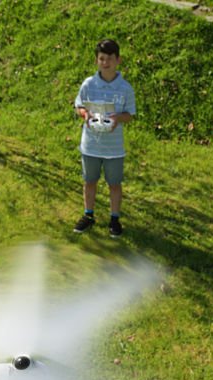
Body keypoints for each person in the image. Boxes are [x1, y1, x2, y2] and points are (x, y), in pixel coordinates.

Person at [72, 39, 136, 238]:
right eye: (101, 59)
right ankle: (88, 215)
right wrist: (85, 115)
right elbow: (79, 106)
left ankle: (114, 218)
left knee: (114, 184)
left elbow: (130, 115)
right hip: (91, 144)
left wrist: (118, 118)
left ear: (118, 60)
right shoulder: (89, 84)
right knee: (89, 181)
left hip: (114, 147)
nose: (105, 63)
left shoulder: (125, 88)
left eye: (109, 59)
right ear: (96, 60)